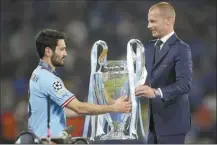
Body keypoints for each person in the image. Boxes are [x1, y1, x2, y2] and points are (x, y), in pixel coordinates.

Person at [28, 28, 131, 138]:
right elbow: (79, 108)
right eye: (61, 49)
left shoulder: (38, 73)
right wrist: (114, 108)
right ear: (48, 51)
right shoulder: (48, 79)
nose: (65, 54)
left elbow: (64, 111)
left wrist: (100, 105)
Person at [135, 2, 193, 144]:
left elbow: (185, 84)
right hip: (152, 125)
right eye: (149, 21)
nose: (148, 26)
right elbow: (142, 78)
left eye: (153, 21)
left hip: (173, 126)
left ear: (168, 20)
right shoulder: (149, 48)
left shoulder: (182, 49)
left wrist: (156, 92)